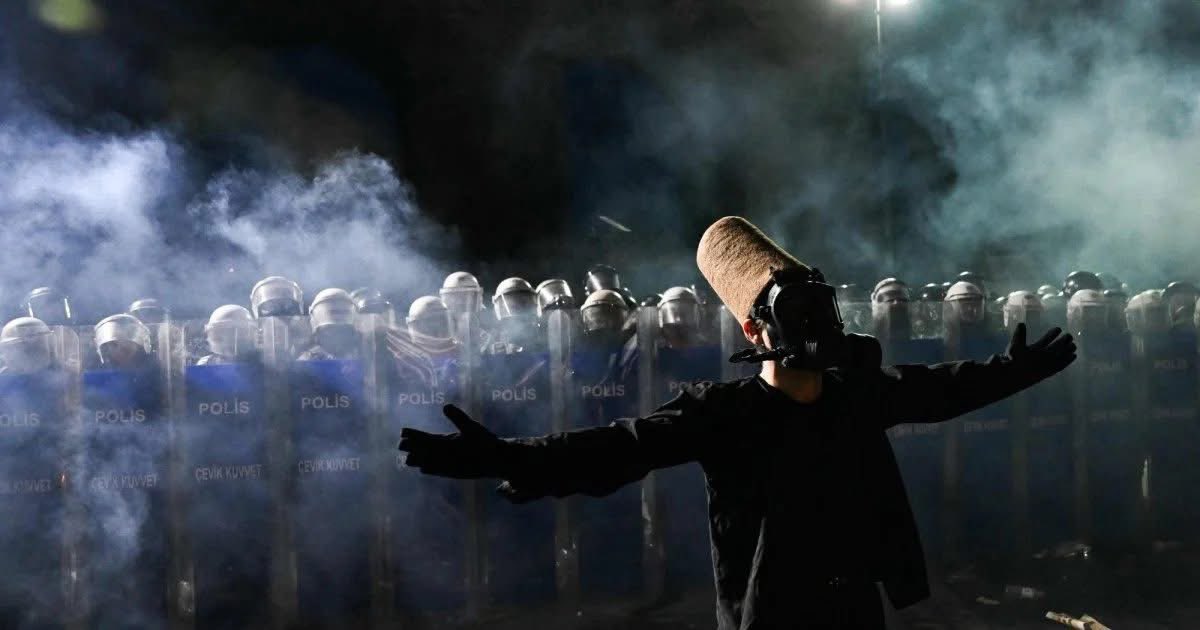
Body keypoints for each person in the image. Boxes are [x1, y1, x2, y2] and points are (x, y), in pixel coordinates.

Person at [397, 216, 1076, 629]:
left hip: (853, 610)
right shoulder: (726, 413)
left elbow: (944, 389)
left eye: (817, 309)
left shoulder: (855, 394)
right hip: (769, 615)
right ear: (757, 330)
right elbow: (619, 446)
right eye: (798, 312)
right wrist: (510, 457)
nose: (813, 325)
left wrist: (1018, 370)